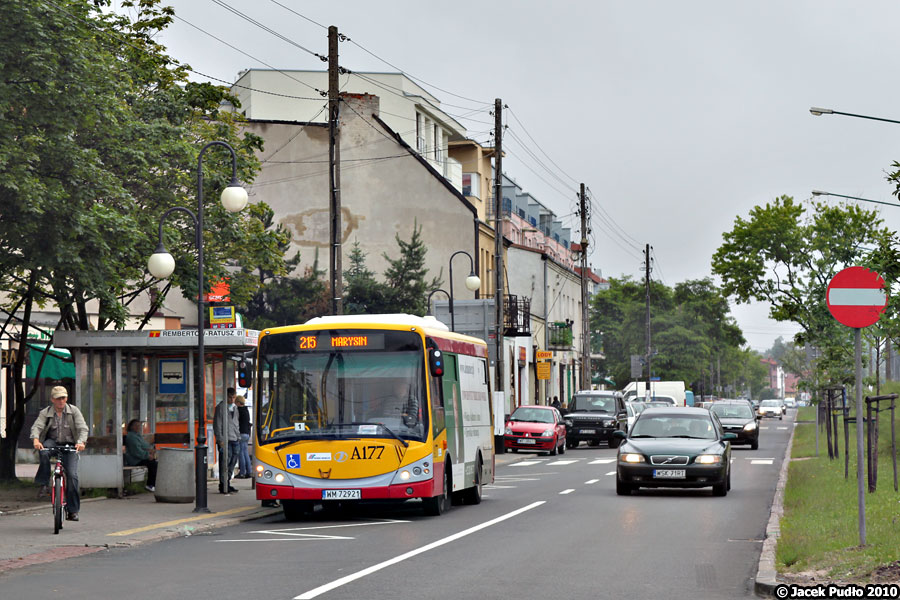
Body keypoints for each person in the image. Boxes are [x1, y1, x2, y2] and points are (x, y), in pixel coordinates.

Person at [31, 385, 88, 521]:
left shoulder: (74, 411)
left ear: (66, 398)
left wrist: (80, 442)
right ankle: (44, 483)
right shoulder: (46, 412)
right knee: (44, 451)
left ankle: (73, 511)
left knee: (72, 476)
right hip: (53, 442)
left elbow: (83, 428)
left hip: (70, 445)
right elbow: (37, 426)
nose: (61, 401)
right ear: (52, 399)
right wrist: (36, 440)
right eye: (58, 398)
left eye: (63, 398)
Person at [213, 387, 240, 494]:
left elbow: (236, 423)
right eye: (230, 397)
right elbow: (217, 424)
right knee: (225, 461)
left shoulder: (235, 408)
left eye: (234, 397)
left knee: (233, 462)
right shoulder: (220, 408)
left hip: (235, 438)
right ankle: (223, 484)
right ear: (226, 396)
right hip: (225, 439)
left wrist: (238, 436)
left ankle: (227, 481)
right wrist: (220, 439)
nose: (232, 400)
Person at [124, 419, 158, 492]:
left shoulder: (137, 435)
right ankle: (150, 484)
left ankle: (153, 484)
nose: (138, 427)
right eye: (136, 425)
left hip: (140, 457)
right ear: (131, 427)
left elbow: (144, 445)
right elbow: (136, 451)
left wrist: (150, 450)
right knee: (153, 464)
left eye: (139, 425)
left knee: (154, 463)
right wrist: (148, 456)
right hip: (135, 460)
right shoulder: (131, 437)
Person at [235, 395, 252, 479]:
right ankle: (249, 471)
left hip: (241, 433)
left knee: (240, 453)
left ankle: (242, 472)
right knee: (245, 452)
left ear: (238, 402)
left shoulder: (238, 410)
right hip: (247, 433)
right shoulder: (246, 410)